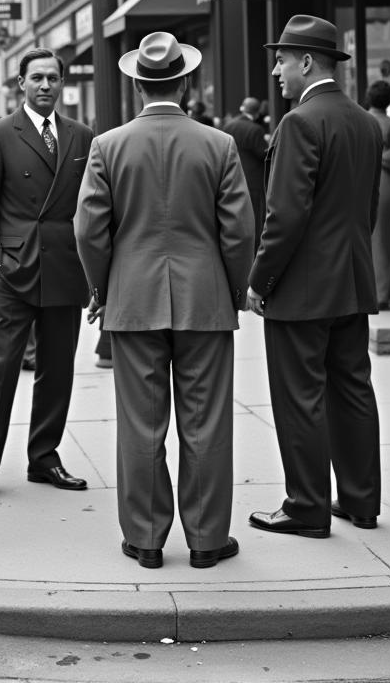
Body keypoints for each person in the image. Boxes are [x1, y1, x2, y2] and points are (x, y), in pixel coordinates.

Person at [74, 31, 253, 570]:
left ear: (136, 85)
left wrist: (103, 290)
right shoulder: (218, 144)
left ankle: (146, 539)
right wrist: (232, 289)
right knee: (206, 424)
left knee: (141, 425)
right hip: (204, 301)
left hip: (133, 300)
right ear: (185, 81)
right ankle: (206, 540)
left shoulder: (107, 146)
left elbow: (87, 231)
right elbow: (240, 232)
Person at [247, 15, 382, 539]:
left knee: (299, 394)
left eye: (282, 61)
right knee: (352, 388)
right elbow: (366, 212)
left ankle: (306, 505)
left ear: (306, 63)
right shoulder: (364, 122)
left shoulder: (299, 123)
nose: (277, 71)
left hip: (303, 289)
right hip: (350, 280)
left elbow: (284, 216)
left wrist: (260, 281)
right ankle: (361, 501)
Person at [0, 48, 93, 508]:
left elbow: (90, 209)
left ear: (61, 83)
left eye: (52, 78)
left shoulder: (81, 136)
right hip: (14, 272)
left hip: (64, 270)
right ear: (20, 83)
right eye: (36, 78)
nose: (45, 85)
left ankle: (44, 457)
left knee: (57, 371)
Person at [365, 79, 390, 310]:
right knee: (383, 238)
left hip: (359, 179)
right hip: (385, 180)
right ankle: (381, 294)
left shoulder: (359, 119)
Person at [221, 96, 268, 247]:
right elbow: (263, 154)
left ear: (242, 108)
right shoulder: (256, 129)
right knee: (255, 215)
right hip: (253, 179)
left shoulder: (228, 126)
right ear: (256, 112)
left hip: (232, 176)